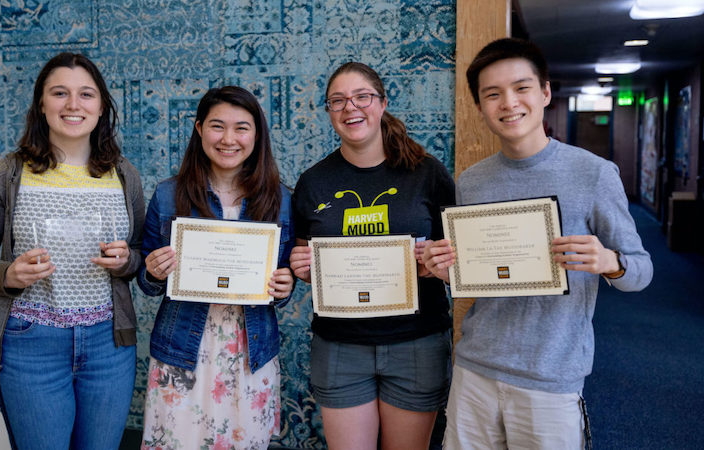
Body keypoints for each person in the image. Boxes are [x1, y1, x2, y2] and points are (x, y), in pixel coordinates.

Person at [423, 38, 653, 450]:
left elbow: (640, 271)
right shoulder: (472, 181)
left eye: (521, 87)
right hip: (475, 367)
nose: (508, 103)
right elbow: (478, 273)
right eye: (492, 94)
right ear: (479, 106)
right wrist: (447, 271)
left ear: (545, 92)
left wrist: (609, 261)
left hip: (550, 379)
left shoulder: (594, 174)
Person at [0, 52, 145, 449]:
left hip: (108, 345)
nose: (73, 105)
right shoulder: (4, 173)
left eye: (86, 95)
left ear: (101, 107)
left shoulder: (124, 174)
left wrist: (127, 260)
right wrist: (7, 274)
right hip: (29, 342)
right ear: (41, 105)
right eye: (60, 93)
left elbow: (140, 255)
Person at [289, 62, 456, 450]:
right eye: (338, 101)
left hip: (416, 342)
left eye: (362, 97)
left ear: (382, 103)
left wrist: (439, 263)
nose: (351, 108)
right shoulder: (314, 182)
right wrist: (303, 268)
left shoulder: (427, 173)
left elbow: (459, 257)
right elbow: (302, 252)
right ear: (329, 111)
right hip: (340, 345)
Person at [138, 86, 295, 449]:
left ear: (257, 134)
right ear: (198, 129)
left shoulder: (280, 198)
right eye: (217, 126)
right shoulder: (167, 194)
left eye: (241, 128)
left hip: (250, 353)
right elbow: (146, 281)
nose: (228, 139)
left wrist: (285, 286)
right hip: (182, 351)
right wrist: (152, 271)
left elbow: (282, 282)